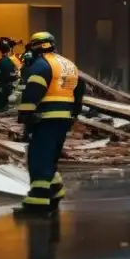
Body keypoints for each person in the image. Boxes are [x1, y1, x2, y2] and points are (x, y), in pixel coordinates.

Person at [15, 32, 85, 217]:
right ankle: (55, 191)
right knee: (50, 156)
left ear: (36, 46)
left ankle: (37, 204)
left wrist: (25, 115)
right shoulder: (68, 65)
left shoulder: (41, 64)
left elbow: (33, 92)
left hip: (45, 117)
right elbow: (79, 91)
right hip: (63, 119)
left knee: (39, 157)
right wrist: (74, 115)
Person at [0, 37, 21, 112]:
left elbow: (4, 79)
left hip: (0, 99)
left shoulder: (3, 62)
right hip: (5, 99)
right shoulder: (10, 61)